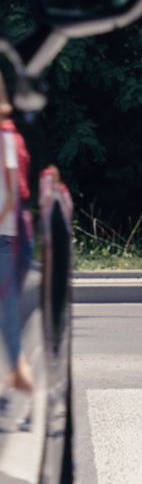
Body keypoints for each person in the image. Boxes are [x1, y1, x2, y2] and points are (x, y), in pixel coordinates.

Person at [0, 73, 34, 419]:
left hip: (4, 241)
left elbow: (10, 193)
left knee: (9, 322)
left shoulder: (5, 138)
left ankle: (27, 400)